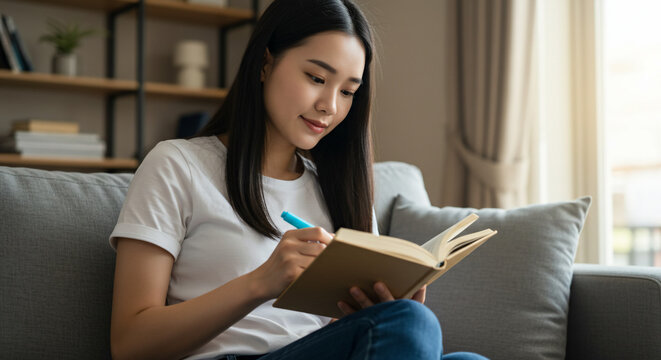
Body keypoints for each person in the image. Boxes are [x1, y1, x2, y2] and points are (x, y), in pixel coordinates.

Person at [109, 0, 487, 359]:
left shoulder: (339, 191)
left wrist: (380, 310)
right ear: (264, 63)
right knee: (411, 323)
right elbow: (129, 344)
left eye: (348, 91)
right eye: (316, 77)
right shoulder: (177, 165)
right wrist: (261, 283)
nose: (331, 106)